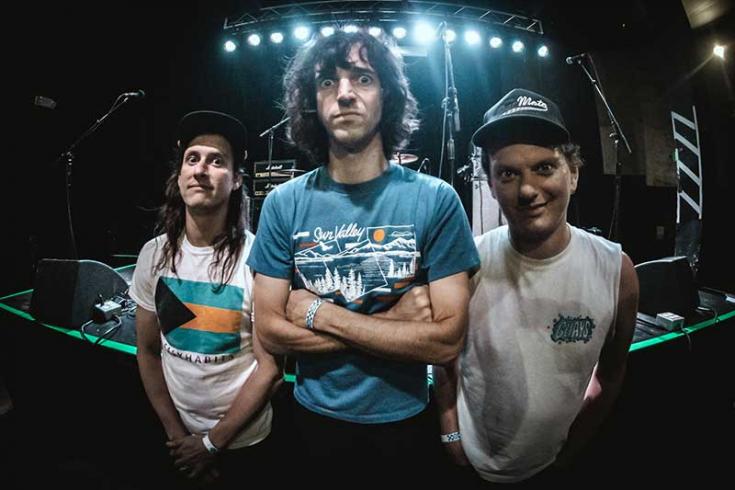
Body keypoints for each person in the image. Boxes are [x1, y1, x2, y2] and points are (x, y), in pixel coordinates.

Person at [246, 30, 480, 481]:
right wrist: (394, 322)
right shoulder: (283, 203)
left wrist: (316, 313)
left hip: (406, 425)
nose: (345, 93)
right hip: (312, 423)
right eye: (328, 82)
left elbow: (447, 341)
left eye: (363, 78)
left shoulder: (436, 200)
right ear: (312, 101)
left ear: (387, 95)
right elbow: (271, 333)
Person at [434, 88, 639, 485]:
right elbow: (444, 360)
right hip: (471, 466)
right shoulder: (467, 265)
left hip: (554, 467)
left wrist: (574, 447)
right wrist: (450, 433)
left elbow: (612, 371)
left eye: (544, 168)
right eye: (508, 174)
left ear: (573, 174)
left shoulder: (617, 271)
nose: (527, 190)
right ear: (491, 186)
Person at [130, 111, 282, 487]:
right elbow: (147, 351)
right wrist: (178, 436)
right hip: (178, 441)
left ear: (236, 180)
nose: (200, 170)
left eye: (216, 161)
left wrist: (211, 444)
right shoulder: (153, 254)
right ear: (180, 174)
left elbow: (270, 369)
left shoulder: (259, 259)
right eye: (192, 159)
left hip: (245, 445)